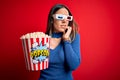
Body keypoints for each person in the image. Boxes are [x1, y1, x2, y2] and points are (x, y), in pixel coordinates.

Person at [39, 4, 81, 80]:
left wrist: (66, 41)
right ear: (52, 19)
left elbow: (73, 65)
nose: (64, 21)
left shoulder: (73, 37)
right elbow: (36, 63)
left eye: (68, 18)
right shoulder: (41, 38)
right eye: (60, 17)